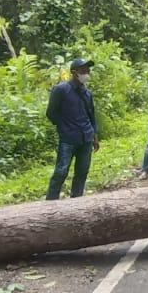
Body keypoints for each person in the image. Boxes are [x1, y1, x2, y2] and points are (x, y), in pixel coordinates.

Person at [45, 58, 99, 200]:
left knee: (82, 172)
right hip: (68, 138)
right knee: (61, 172)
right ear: (75, 73)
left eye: (88, 70)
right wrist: (64, 127)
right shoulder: (61, 90)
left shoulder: (87, 93)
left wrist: (94, 136)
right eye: (84, 70)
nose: (87, 73)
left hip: (86, 138)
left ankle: (76, 202)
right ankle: (50, 204)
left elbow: (91, 115)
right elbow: (51, 113)